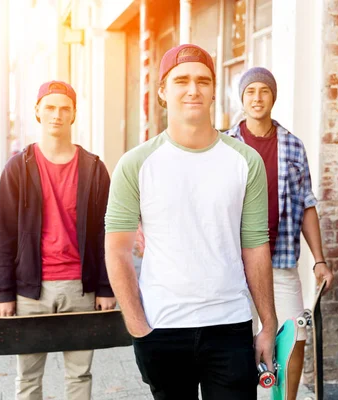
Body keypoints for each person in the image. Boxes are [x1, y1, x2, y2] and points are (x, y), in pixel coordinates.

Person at [104, 44, 277, 400]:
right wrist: (138, 328)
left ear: (215, 90)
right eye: (181, 80)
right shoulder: (135, 163)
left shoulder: (246, 161)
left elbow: (256, 246)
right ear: (164, 92)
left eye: (203, 80)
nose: (193, 89)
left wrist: (268, 324)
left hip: (230, 325)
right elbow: (117, 251)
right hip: (162, 328)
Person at [0, 80, 116, 400]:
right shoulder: (18, 168)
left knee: (79, 374)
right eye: (49, 107)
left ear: (74, 114)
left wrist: (106, 287)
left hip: (80, 288)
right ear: (37, 111)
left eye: (64, 108)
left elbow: (107, 233)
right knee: (29, 377)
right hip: (31, 291)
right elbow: (3, 234)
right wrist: (4, 292)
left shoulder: (94, 168)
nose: (56, 115)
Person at [226, 67, 334, 400]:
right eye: (250, 92)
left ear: (273, 96)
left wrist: (320, 260)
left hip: (282, 260)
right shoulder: (227, 145)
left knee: (294, 336)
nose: (257, 98)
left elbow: (307, 205)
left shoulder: (291, 145)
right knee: (237, 341)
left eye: (263, 91)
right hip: (236, 264)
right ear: (242, 98)